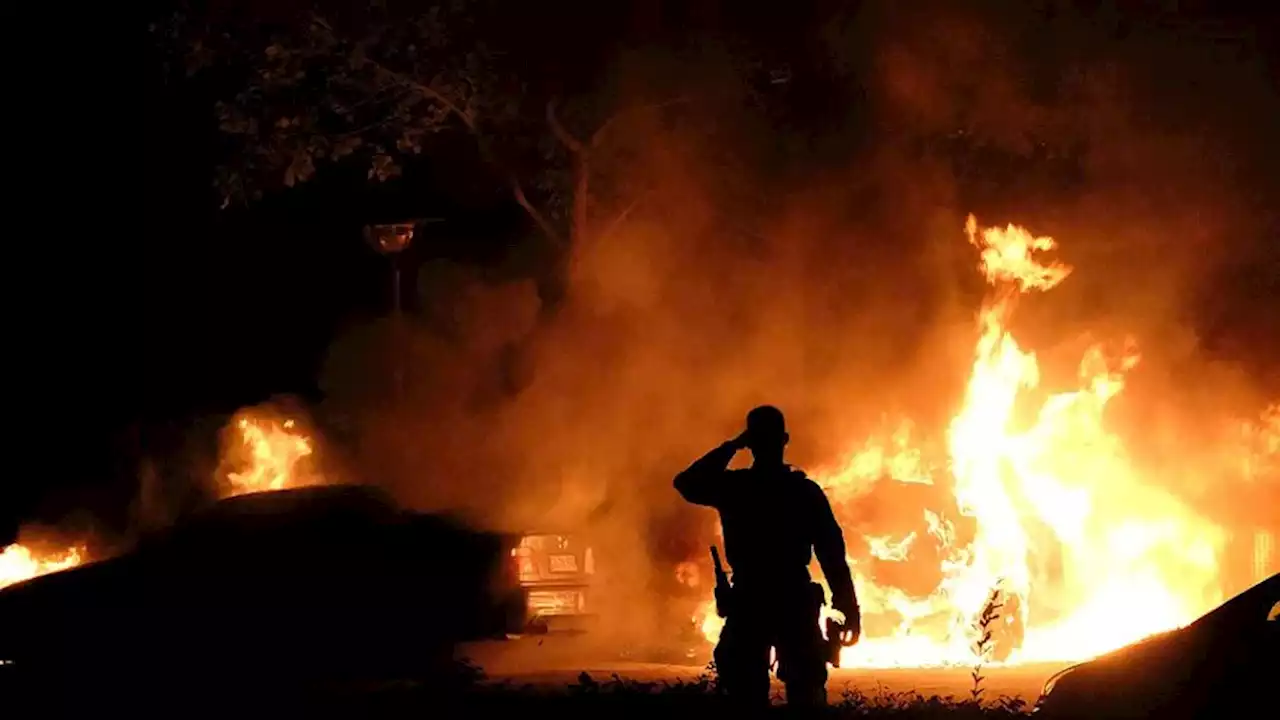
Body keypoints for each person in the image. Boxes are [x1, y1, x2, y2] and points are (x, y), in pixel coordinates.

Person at [675, 405, 860, 709]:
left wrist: (733, 445)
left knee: (746, 696)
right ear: (784, 440)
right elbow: (831, 554)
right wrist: (847, 604)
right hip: (791, 601)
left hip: (752, 601)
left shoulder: (735, 488)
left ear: (752, 442)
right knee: (805, 698)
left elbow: (688, 482)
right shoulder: (803, 492)